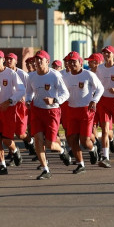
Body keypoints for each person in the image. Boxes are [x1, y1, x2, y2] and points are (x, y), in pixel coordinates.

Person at [25, 50, 71, 180]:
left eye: (41, 60)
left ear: (47, 62)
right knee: (38, 140)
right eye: (36, 60)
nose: (38, 62)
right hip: (37, 111)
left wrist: (54, 100)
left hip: (52, 111)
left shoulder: (55, 76)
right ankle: (45, 169)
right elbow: (29, 93)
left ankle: (62, 151)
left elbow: (65, 94)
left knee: (50, 144)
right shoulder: (31, 77)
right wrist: (28, 100)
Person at [62, 51, 104, 174]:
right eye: (69, 62)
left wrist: (94, 100)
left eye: (74, 61)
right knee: (72, 139)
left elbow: (100, 88)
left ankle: (93, 149)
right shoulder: (65, 77)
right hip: (71, 110)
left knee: (85, 141)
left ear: (80, 62)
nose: (71, 64)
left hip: (86, 110)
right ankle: (81, 164)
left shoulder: (88, 75)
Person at [0, 50, 26, 175]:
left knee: (6, 140)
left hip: (8, 109)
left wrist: (10, 101)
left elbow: (21, 90)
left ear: (3, 60)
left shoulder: (11, 73)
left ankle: (15, 151)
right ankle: (2, 165)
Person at [5, 52, 35, 156]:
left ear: (16, 61)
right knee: (8, 130)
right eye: (7, 59)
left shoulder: (23, 74)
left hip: (20, 106)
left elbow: (30, 90)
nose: (8, 61)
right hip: (8, 105)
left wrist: (26, 98)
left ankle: (30, 142)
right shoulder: (4, 73)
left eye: (11, 59)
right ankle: (11, 152)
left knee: (20, 133)